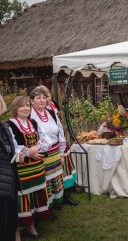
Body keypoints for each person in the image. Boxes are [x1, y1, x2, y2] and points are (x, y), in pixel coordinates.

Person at [7, 96, 52, 240]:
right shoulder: (9, 125)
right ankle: (22, 226)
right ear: (15, 108)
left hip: (37, 166)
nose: (26, 108)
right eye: (22, 106)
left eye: (27, 105)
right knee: (23, 197)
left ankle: (32, 222)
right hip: (22, 169)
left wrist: (36, 147)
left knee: (35, 195)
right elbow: (11, 146)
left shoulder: (33, 122)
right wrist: (28, 152)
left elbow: (46, 140)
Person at [36, 85, 79, 206]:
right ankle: (60, 196)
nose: (46, 99)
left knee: (66, 170)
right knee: (57, 172)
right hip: (51, 147)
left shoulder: (54, 105)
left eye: (47, 96)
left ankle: (67, 193)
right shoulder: (40, 112)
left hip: (61, 142)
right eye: (43, 97)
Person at [29, 87, 65, 208]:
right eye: (38, 98)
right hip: (41, 154)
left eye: (44, 98)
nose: (42, 100)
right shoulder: (28, 115)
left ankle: (56, 202)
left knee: (55, 178)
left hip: (55, 152)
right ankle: (45, 206)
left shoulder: (51, 112)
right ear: (32, 101)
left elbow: (60, 131)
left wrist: (61, 152)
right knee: (44, 181)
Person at [0, 93, 20, 241]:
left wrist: (18, 155)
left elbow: (11, 152)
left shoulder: (4, 128)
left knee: (9, 222)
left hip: (10, 182)